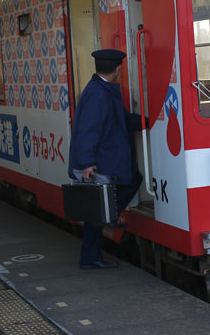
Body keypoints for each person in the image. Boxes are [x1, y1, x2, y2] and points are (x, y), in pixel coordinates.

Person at [68, 49, 143, 269]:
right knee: (128, 183)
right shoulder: (99, 94)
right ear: (117, 69)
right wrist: (86, 163)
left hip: (106, 155)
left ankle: (90, 256)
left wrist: (149, 121)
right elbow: (88, 130)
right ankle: (109, 218)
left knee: (98, 207)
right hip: (103, 158)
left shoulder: (100, 89)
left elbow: (122, 119)